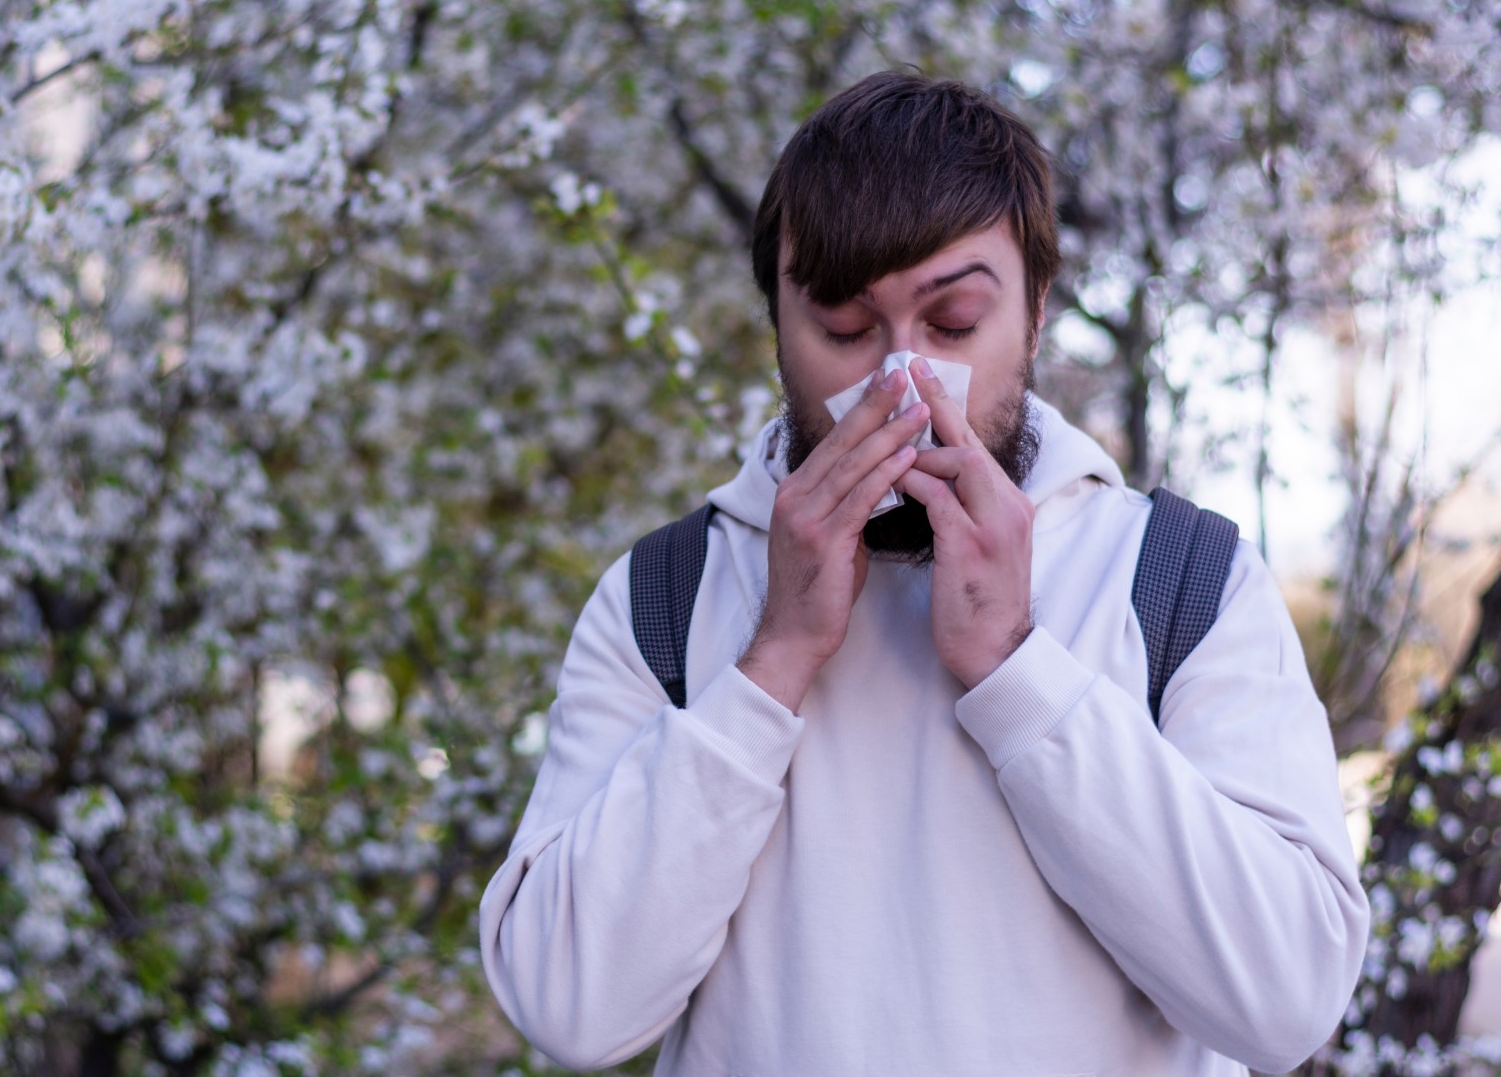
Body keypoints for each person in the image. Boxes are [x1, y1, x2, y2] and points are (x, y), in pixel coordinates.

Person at [478, 71, 1368, 1075]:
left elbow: (1288, 1001)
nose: (901, 380)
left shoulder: (1180, 579)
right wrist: (772, 662)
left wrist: (1018, 667)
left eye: (952, 324)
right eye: (847, 332)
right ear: (780, 326)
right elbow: (570, 1009)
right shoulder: (664, 595)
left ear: (1034, 318)